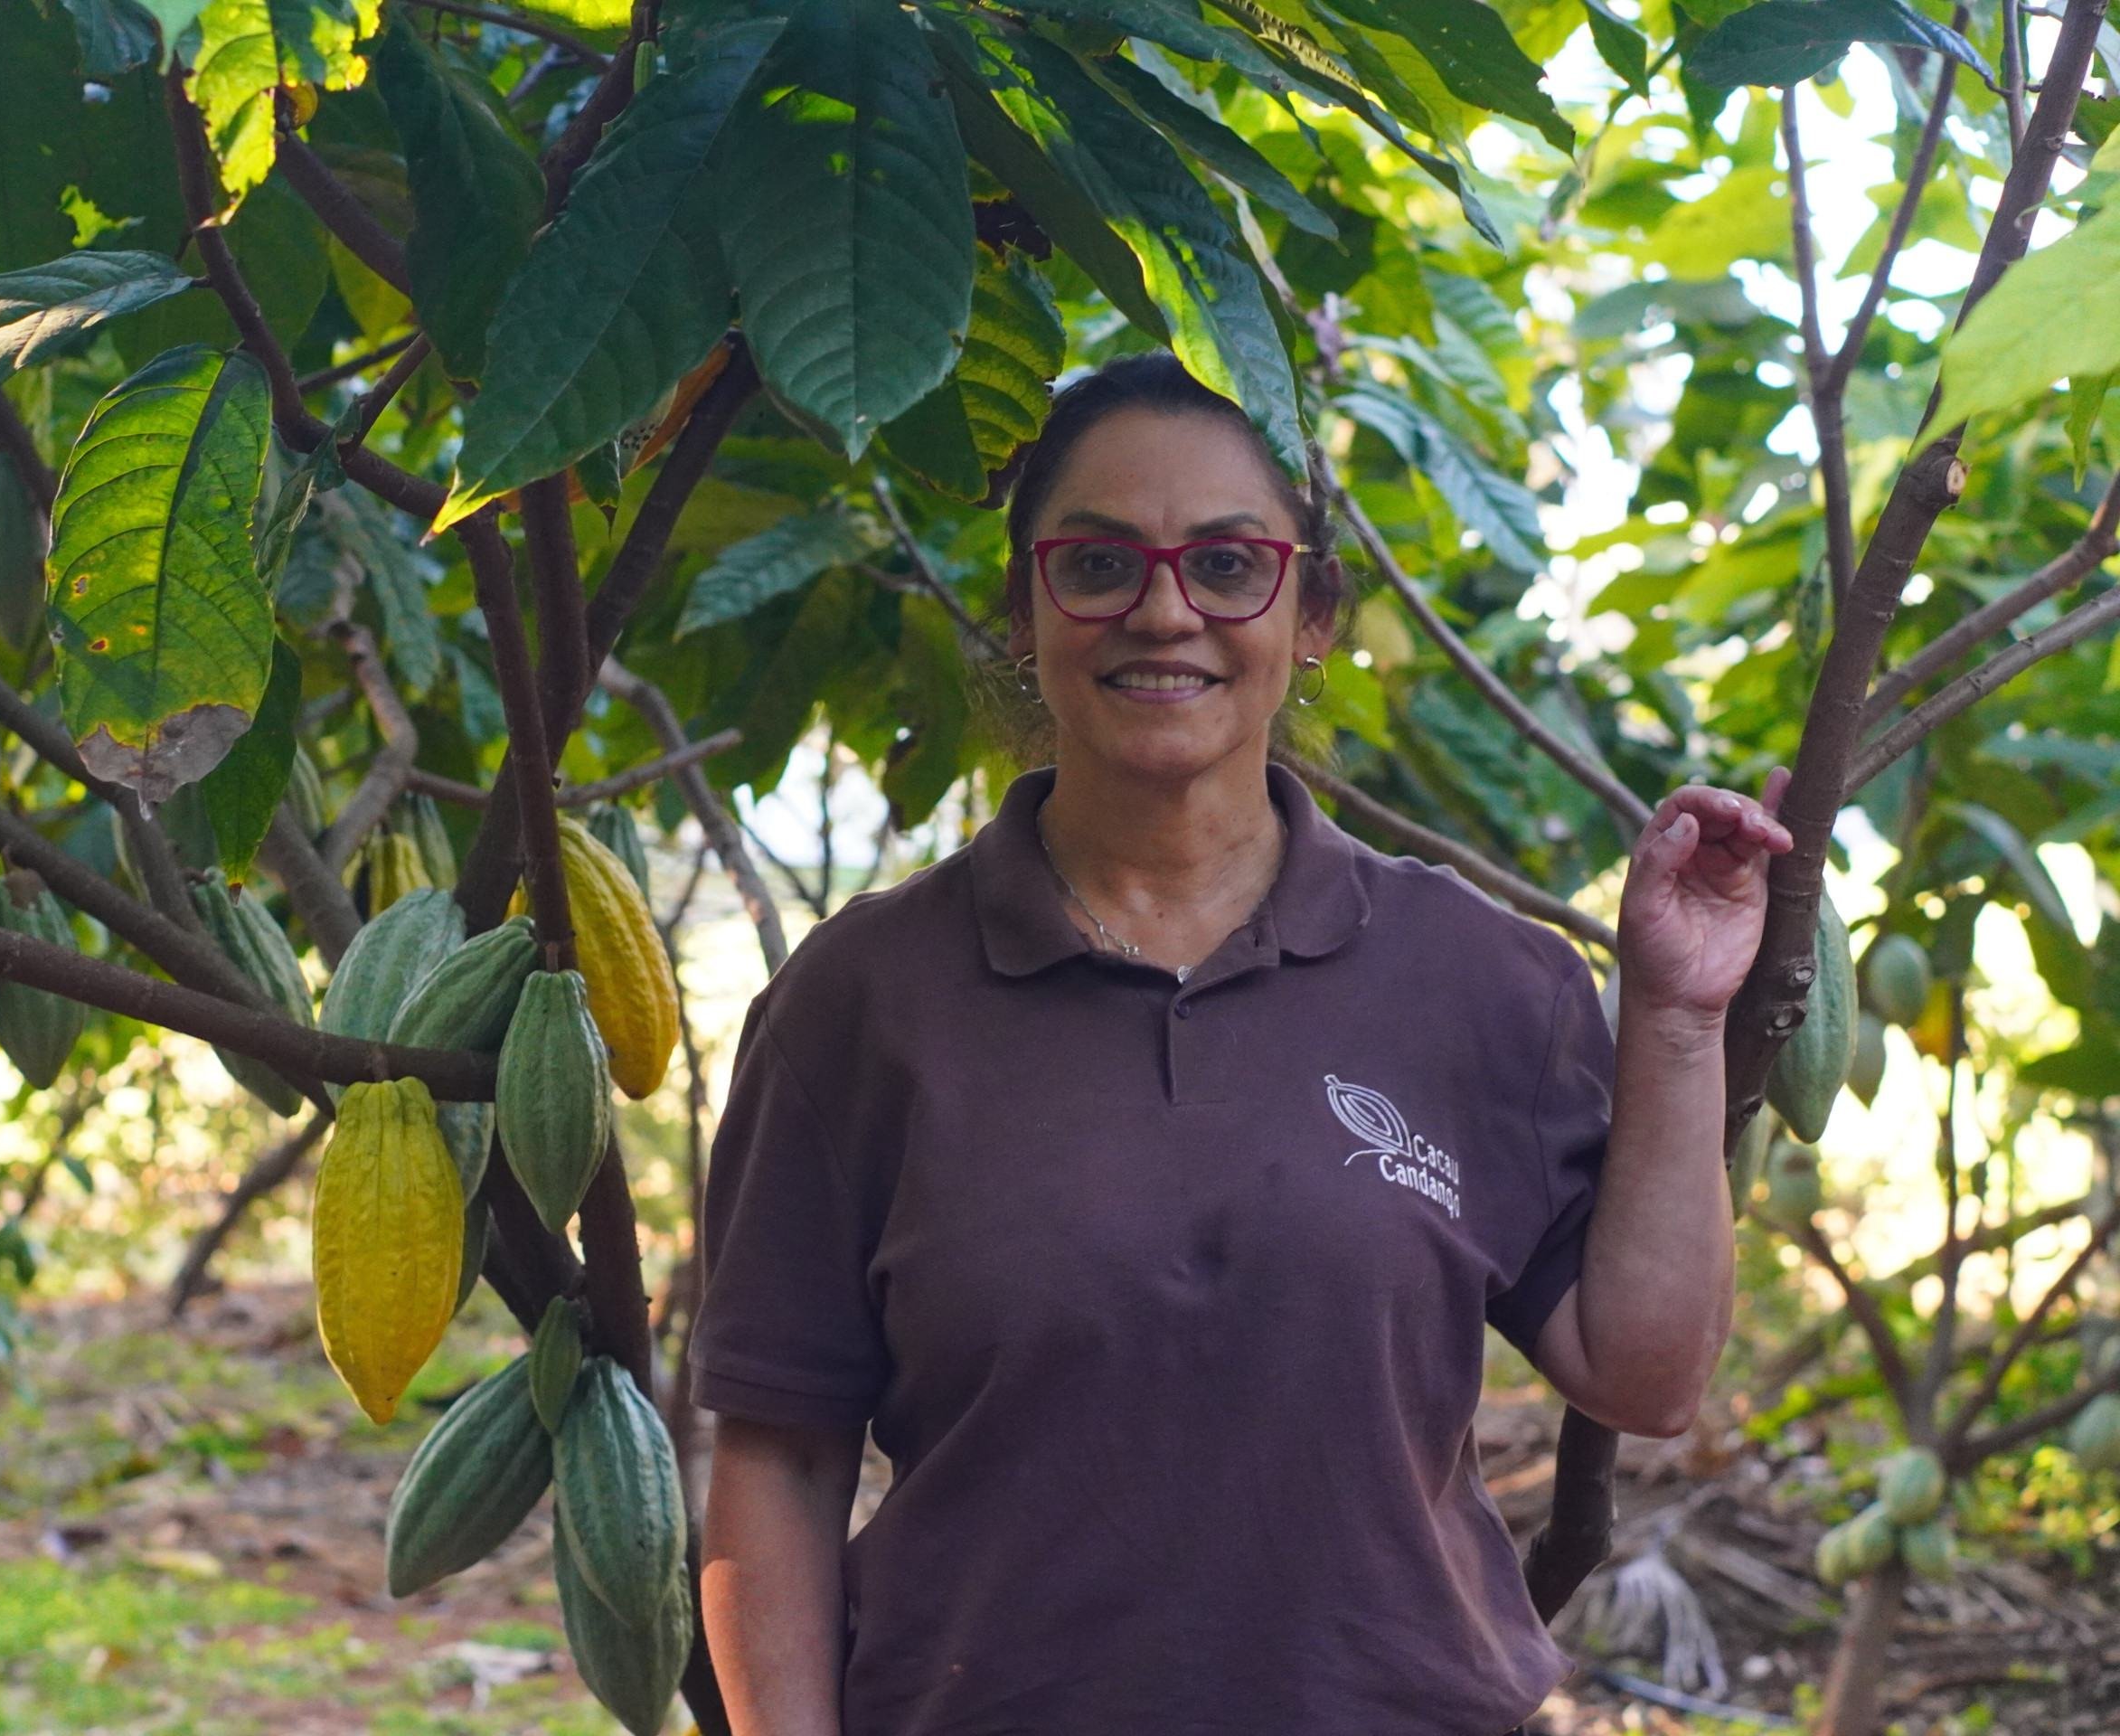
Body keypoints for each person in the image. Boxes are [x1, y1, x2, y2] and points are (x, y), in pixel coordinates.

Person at [686, 350, 1791, 1735]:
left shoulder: (1479, 978)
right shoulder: (863, 1000)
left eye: (1226, 565)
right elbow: (779, 1463)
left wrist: (1682, 1015)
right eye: (1096, 565)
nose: (1163, 611)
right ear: (1023, 610)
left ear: (1312, 611)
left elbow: (1644, 1372)